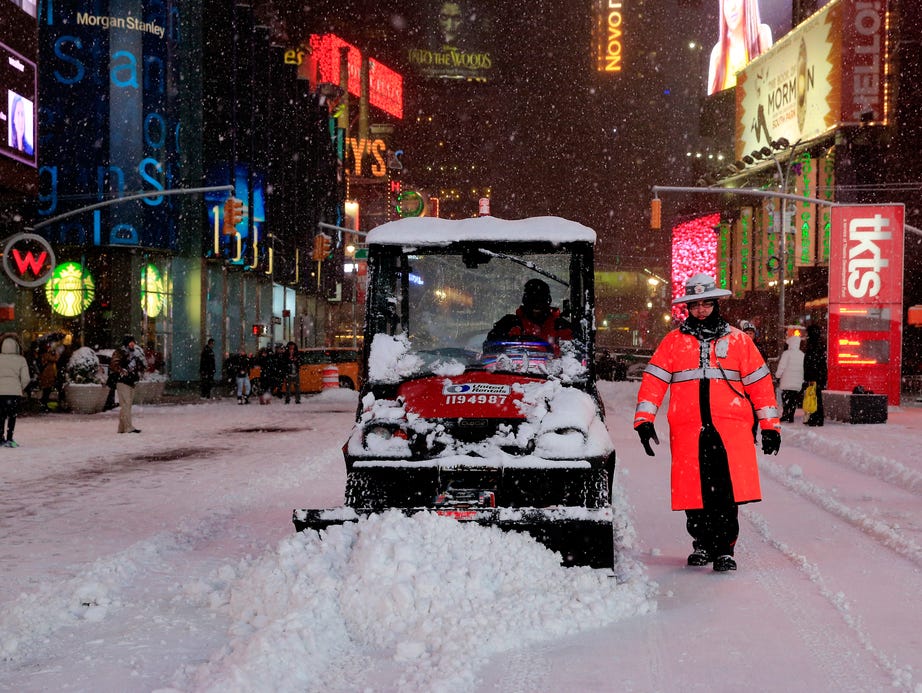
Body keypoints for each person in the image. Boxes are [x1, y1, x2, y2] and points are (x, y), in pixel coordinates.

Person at [633, 273, 781, 572]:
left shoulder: (739, 341)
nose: (701, 310)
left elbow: (761, 385)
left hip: (731, 430)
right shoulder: (673, 342)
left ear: (716, 304)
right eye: (695, 305)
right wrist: (644, 419)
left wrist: (770, 426)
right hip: (688, 429)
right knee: (694, 489)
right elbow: (654, 381)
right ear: (687, 307)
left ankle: (725, 548)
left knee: (726, 491)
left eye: (706, 304)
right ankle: (701, 543)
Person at [486, 278, 573, 356]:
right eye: (532, 300)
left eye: (541, 301)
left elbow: (574, 358)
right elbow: (490, 349)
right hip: (515, 371)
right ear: (525, 300)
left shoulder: (560, 326)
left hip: (552, 372)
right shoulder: (509, 323)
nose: (536, 307)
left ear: (548, 301)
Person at [707, 0, 773, 95]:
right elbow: (710, 106)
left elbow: (769, 91)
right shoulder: (718, 53)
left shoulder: (762, 35)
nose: (732, 7)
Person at [0, 333, 32, 447]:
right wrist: (20, 387)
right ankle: (9, 438)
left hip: (0, 393)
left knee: (1, 416)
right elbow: (26, 378)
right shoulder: (21, 360)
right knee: (12, 416)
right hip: (14, 393)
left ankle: (0, 438)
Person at [111, 335, 143, 433]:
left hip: (131, 382)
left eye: (133, 342)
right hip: (123, 382)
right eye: (130, 342)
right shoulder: (120, 352)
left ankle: (122, 428)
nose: (132, 344)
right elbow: (114, 364)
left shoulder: (135, 354)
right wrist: (122, 371)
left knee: (126, 406)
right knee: (126, 404)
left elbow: (139, 366)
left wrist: (139, 371)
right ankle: (128, 427)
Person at [775, 334, 805, 422]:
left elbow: (781, 366)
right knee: (793, 399)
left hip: (786, 382)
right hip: (797, 383)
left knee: (786, 399)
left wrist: (777, 375)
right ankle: (791, 415)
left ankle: (785, 414)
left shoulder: (786, 354)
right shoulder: (802, 355)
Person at [803, 324, 827, 426]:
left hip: (813, 375)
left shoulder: (811, 345)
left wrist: (807, 376)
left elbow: (808, 362)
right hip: (819, 375)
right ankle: (818, 418)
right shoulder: (820, 344)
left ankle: (814, 417)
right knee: (817, 397)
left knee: (813, 397)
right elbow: (821, 362)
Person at [37, 342, 57, 412]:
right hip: (47, 376)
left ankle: (44, 405)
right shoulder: (46, 355)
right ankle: (44, 405)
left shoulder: (42, 355)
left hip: (46, 376)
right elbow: (55, 359)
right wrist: (54, 353)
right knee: (47, 391)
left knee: (46, 391)